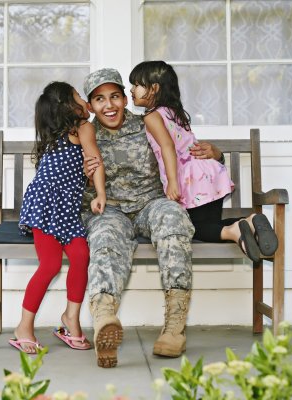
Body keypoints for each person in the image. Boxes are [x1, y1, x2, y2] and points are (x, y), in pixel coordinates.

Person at [80, 68, 197, 366]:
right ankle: (105, 319)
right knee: (104, 237)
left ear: (124, 98)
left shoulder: (148, 121)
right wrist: (81, 174)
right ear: (91, 105)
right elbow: (58, 168)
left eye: (115, 96)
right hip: (110, 209)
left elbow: (182, 149)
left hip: (150, 204)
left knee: (173, 217)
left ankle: (174, 328)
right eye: (99, 99)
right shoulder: (85, 133)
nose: (109, 105)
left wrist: (218, 153)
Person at [128, 60, 278, 263]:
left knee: (193, 227)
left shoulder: (152, 117)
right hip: (208, 173)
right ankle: (249, 221)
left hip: (190, 180)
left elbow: (167, 147)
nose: (132, 89)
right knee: (212, 223)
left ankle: (234, 232)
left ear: (154, 89)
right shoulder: (174, 112)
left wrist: (172, 181)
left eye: (136, 85)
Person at [10, 81, 107, 354]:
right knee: (50, 264)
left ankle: (70, 319)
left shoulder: (75, 132)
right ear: (68, 106)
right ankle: (23, 327)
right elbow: (94, 159)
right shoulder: (79, 129)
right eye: (79, 96)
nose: (85, 100)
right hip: (44, 208)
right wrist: (100, 192)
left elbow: (89, 164)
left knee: (80, 256)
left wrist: (94, 187)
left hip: (66, 211)